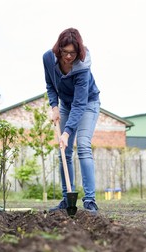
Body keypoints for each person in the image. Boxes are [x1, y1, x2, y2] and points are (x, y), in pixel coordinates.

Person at [43, 27, 100, 214]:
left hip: (87, 104)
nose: (68, 57)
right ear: (58, 49)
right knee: (64, 151)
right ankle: (67, 199)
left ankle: (90, 200)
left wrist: (67, 132)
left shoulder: (82, 67)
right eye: (65, 52)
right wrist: (54, 106)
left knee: (83, 145)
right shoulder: (48, 59)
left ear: (79, 52)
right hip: (66, 105)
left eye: (73, 53)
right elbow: (50, 84)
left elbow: (80, 103)